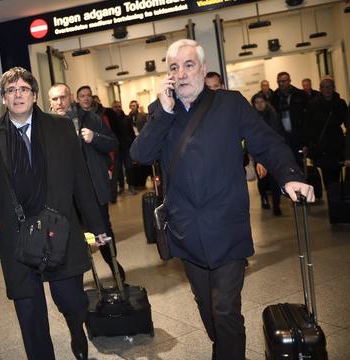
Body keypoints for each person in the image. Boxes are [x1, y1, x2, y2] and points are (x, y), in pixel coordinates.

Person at [130, 39, 315, 360]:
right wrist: (164, 112)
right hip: (185, 228)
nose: (182, 73)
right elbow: (140, 154)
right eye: (174, 67)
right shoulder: (161, 111)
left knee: (225, 308)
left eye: (189, 65)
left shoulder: (230, 104)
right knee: (207, 305)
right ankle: (225, 348)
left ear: (202, 69)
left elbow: (267, 143)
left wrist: (290, 176)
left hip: (227, 225)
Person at [0, 68, 107, 360]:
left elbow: (81, 181)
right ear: (4, 99)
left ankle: (75, 328)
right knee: (30, 316)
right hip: (17, 238)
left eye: (23, 89)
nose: (17, 94)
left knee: (71, 301)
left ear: (34, 95)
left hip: (58, 229)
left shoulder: (60, 128)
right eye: (11, 90)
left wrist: (97, 226)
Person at [48, 82, 125, 282]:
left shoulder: (90, 119)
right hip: (66, 196)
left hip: (92, 190)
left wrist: (94, 138)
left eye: (63, 97)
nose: (59, 102)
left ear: (71, 97)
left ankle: (114, 265)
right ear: (49, 102)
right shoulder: (46, 128)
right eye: (55, 99)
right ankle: (81, 277)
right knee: (76, 237)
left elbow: (113, 143)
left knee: (102, 231)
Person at [304, 78, 348, 190]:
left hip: (337, 145)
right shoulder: (313, 104)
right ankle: (332, 201)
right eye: (325, 87)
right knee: (328, 178)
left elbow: (347, 122)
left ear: (334, 88)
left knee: (337, 176)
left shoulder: (340, 103)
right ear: (320, 89)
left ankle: (336, 201)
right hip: (322, 146)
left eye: (330, 86)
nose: (327, 89)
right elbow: (308, 125)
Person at [251, 92, 286, 215]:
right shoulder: (251, 118)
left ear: (266, 102)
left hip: (272, 151)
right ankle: (264, 199)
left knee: (274, 179)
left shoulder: (273, 115)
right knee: (262, 179)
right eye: (257, 103)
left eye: (262, 102)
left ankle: (276, 205)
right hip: (258, 152)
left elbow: (279, 133)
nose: (260, 105)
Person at [270, 71, 309, 166]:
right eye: (279, 82)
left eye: (284, 81)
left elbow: (307, 118)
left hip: (298, 134)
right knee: (286, 163)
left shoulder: (300, 95)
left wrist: (306, 142)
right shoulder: (274, 97)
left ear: (289, 81)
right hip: (282, 136)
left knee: (299, 163)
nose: (281, 84)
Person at [110, 100, 137, 196]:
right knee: (118, 170)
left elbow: (132, 133)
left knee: (129, 168)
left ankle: (131, 186)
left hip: (126, 147)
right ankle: (121, 187)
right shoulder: (110, 121)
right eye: (115, 107)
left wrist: (134, 146)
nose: (117, 108)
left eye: (119, 106)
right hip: (115, 149)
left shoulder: (127, 119)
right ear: (112, 108)